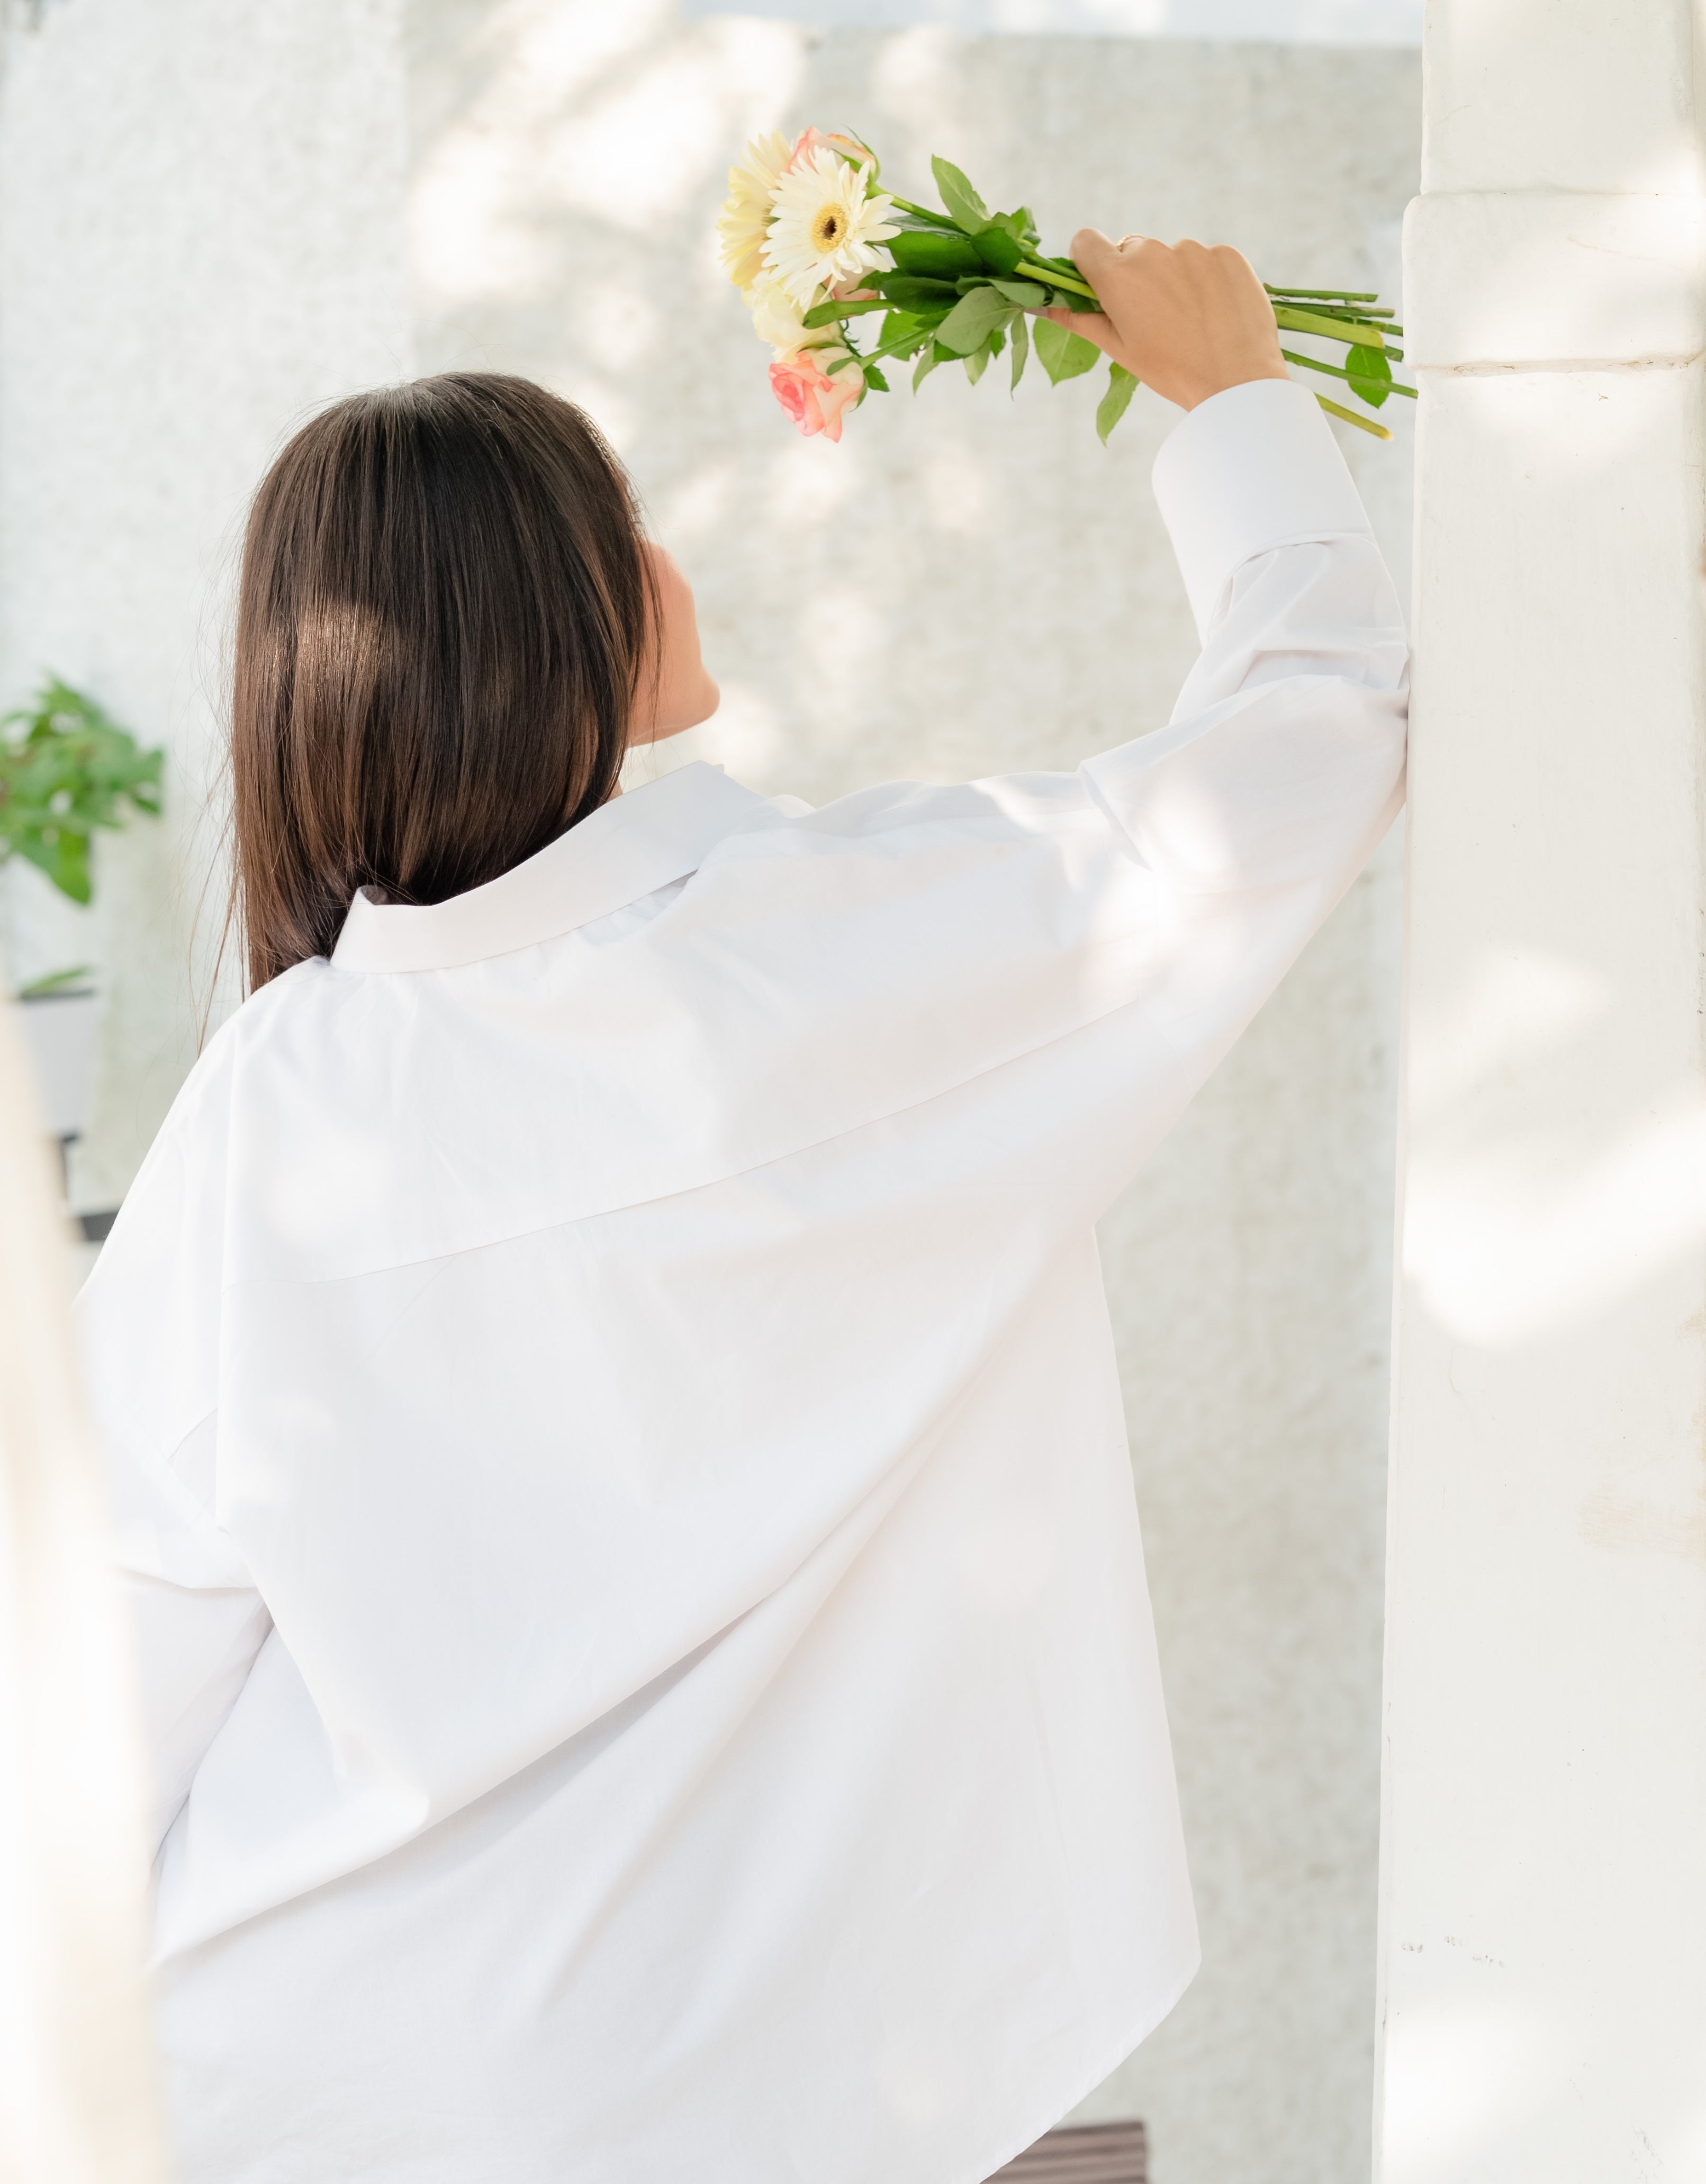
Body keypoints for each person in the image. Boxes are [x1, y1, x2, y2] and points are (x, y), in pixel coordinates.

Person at [78, 233, 1407, 2184]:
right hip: (731, 2104)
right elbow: (1312, 741)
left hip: (296, 2091)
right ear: (566, 626)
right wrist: (1234, 403)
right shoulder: (840, 953)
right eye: (628, 527)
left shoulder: (260, 1114)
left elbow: (99, 1705)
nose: (667, 562)